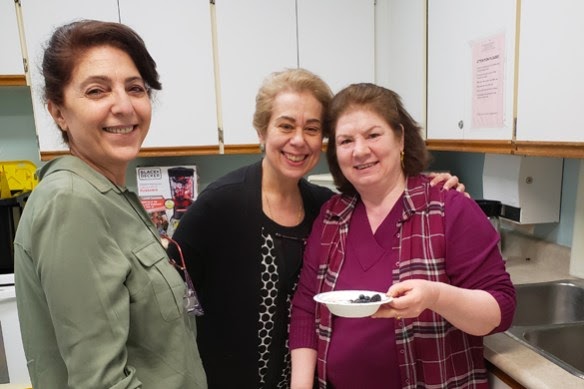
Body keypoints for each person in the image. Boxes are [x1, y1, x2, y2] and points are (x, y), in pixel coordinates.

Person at [169, 69, 465, 388]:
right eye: (285, 126)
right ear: (261, 131)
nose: (299, 140)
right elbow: (167, 300)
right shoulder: (219, 205)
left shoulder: (325, 209)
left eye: (311, 129)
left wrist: (440, 188)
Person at [13, 20, 207, 389]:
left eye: (135, 88)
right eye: (97, 91)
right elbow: (101, 382)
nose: (123, 106)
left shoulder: (111, 196)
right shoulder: (71, 202)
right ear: (58, 111)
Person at [289, 83, 516, 389]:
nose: (359, 150)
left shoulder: (449, 209)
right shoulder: (331, 217)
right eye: (345, 140)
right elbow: (306, 307)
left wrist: (435, 296)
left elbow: (499, 311)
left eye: (373, 135)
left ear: (400, 138)